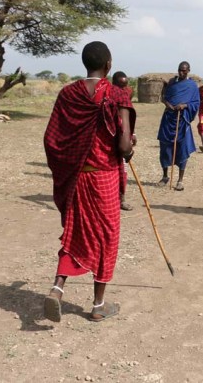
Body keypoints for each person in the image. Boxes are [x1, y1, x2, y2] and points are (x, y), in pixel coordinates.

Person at [42, 41, 136, 323]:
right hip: (105, 177)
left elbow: (52, 138)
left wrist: (68, 164)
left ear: (85, 64)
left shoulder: (68, 93)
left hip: (78, 177)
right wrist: (131, 146)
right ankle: (98, 306)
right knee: (106, 238)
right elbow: (123, 147)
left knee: (75, 233)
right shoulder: (117, 95)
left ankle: (57, 289)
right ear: (109, 64)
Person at [157, 61, 200, 191]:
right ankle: (165, 176)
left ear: (188, 71)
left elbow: (196, 103)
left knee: (183, 148)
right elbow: (163, 98)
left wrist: (185, 105)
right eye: (180, 70)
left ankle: (180, 180)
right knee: (164, 147)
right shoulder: (171, 83)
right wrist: (167, 104)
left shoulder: (192, 86)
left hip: (182, 120)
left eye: (184, 71)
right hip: (168, 119)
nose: (181, 73)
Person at [112, 71, 137, 211]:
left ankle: (122, 199)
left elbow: (127, 119)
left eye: (125, 86)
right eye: (120, 86)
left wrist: (132, 134)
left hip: (124, 137)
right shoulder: (107, 96)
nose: (123, 89)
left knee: (124, 170)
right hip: (110, 139)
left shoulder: (127, 94)